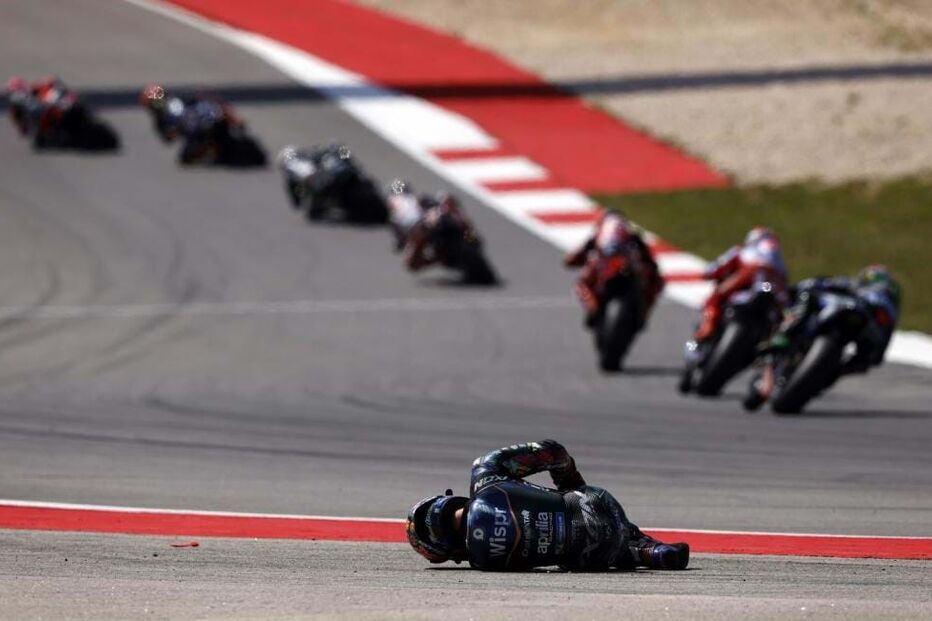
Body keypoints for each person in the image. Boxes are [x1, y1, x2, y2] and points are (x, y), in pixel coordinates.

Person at [406, 440, 689, 572]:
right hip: (597, 502)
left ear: (450, 553)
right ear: (447, 499)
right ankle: (646, 547)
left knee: (578, 549)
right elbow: (552, 451)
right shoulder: (485, 473)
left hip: (593, 558)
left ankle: (648, 553)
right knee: (578, 523)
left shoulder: (484, 563)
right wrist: (572, 485)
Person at [767, 264, 901, 374]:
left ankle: (785, 334)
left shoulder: (858, 288)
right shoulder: (886, 308)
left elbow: (814, 285)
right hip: (850, 323)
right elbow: (877, 355)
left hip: (848, 318)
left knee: (808, 295)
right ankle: (829, 375)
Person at [563, 210, 664, 328]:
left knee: (581, 283)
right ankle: (644, 313)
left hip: (614, 267)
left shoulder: (600, 235)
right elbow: (651, 263)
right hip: (624, 268)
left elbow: (573, 259)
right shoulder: (632, 235)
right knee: (657, 282)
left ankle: (592, 308)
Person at [693, 226, 788, 342]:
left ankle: (708, 327)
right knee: (781, 316)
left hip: (751, 276)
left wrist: (709, 274)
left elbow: (713, 269)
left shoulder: (743, 251)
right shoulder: (780, 265)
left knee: (717, 295)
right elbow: (783, 291)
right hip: (769, 289)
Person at [404, 192, 474, 271]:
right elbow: (411, 261)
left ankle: (470, 242)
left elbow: (463, 219)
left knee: (471, 237)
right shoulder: (419, 224)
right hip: (438, 242)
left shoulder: (446, 207)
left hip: (452, 231)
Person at [386, 179, 426, 252]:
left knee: (390, 219)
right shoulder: (413, 197)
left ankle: (401, 240)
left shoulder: (392, 199)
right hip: (420, 219)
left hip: (406, 223)